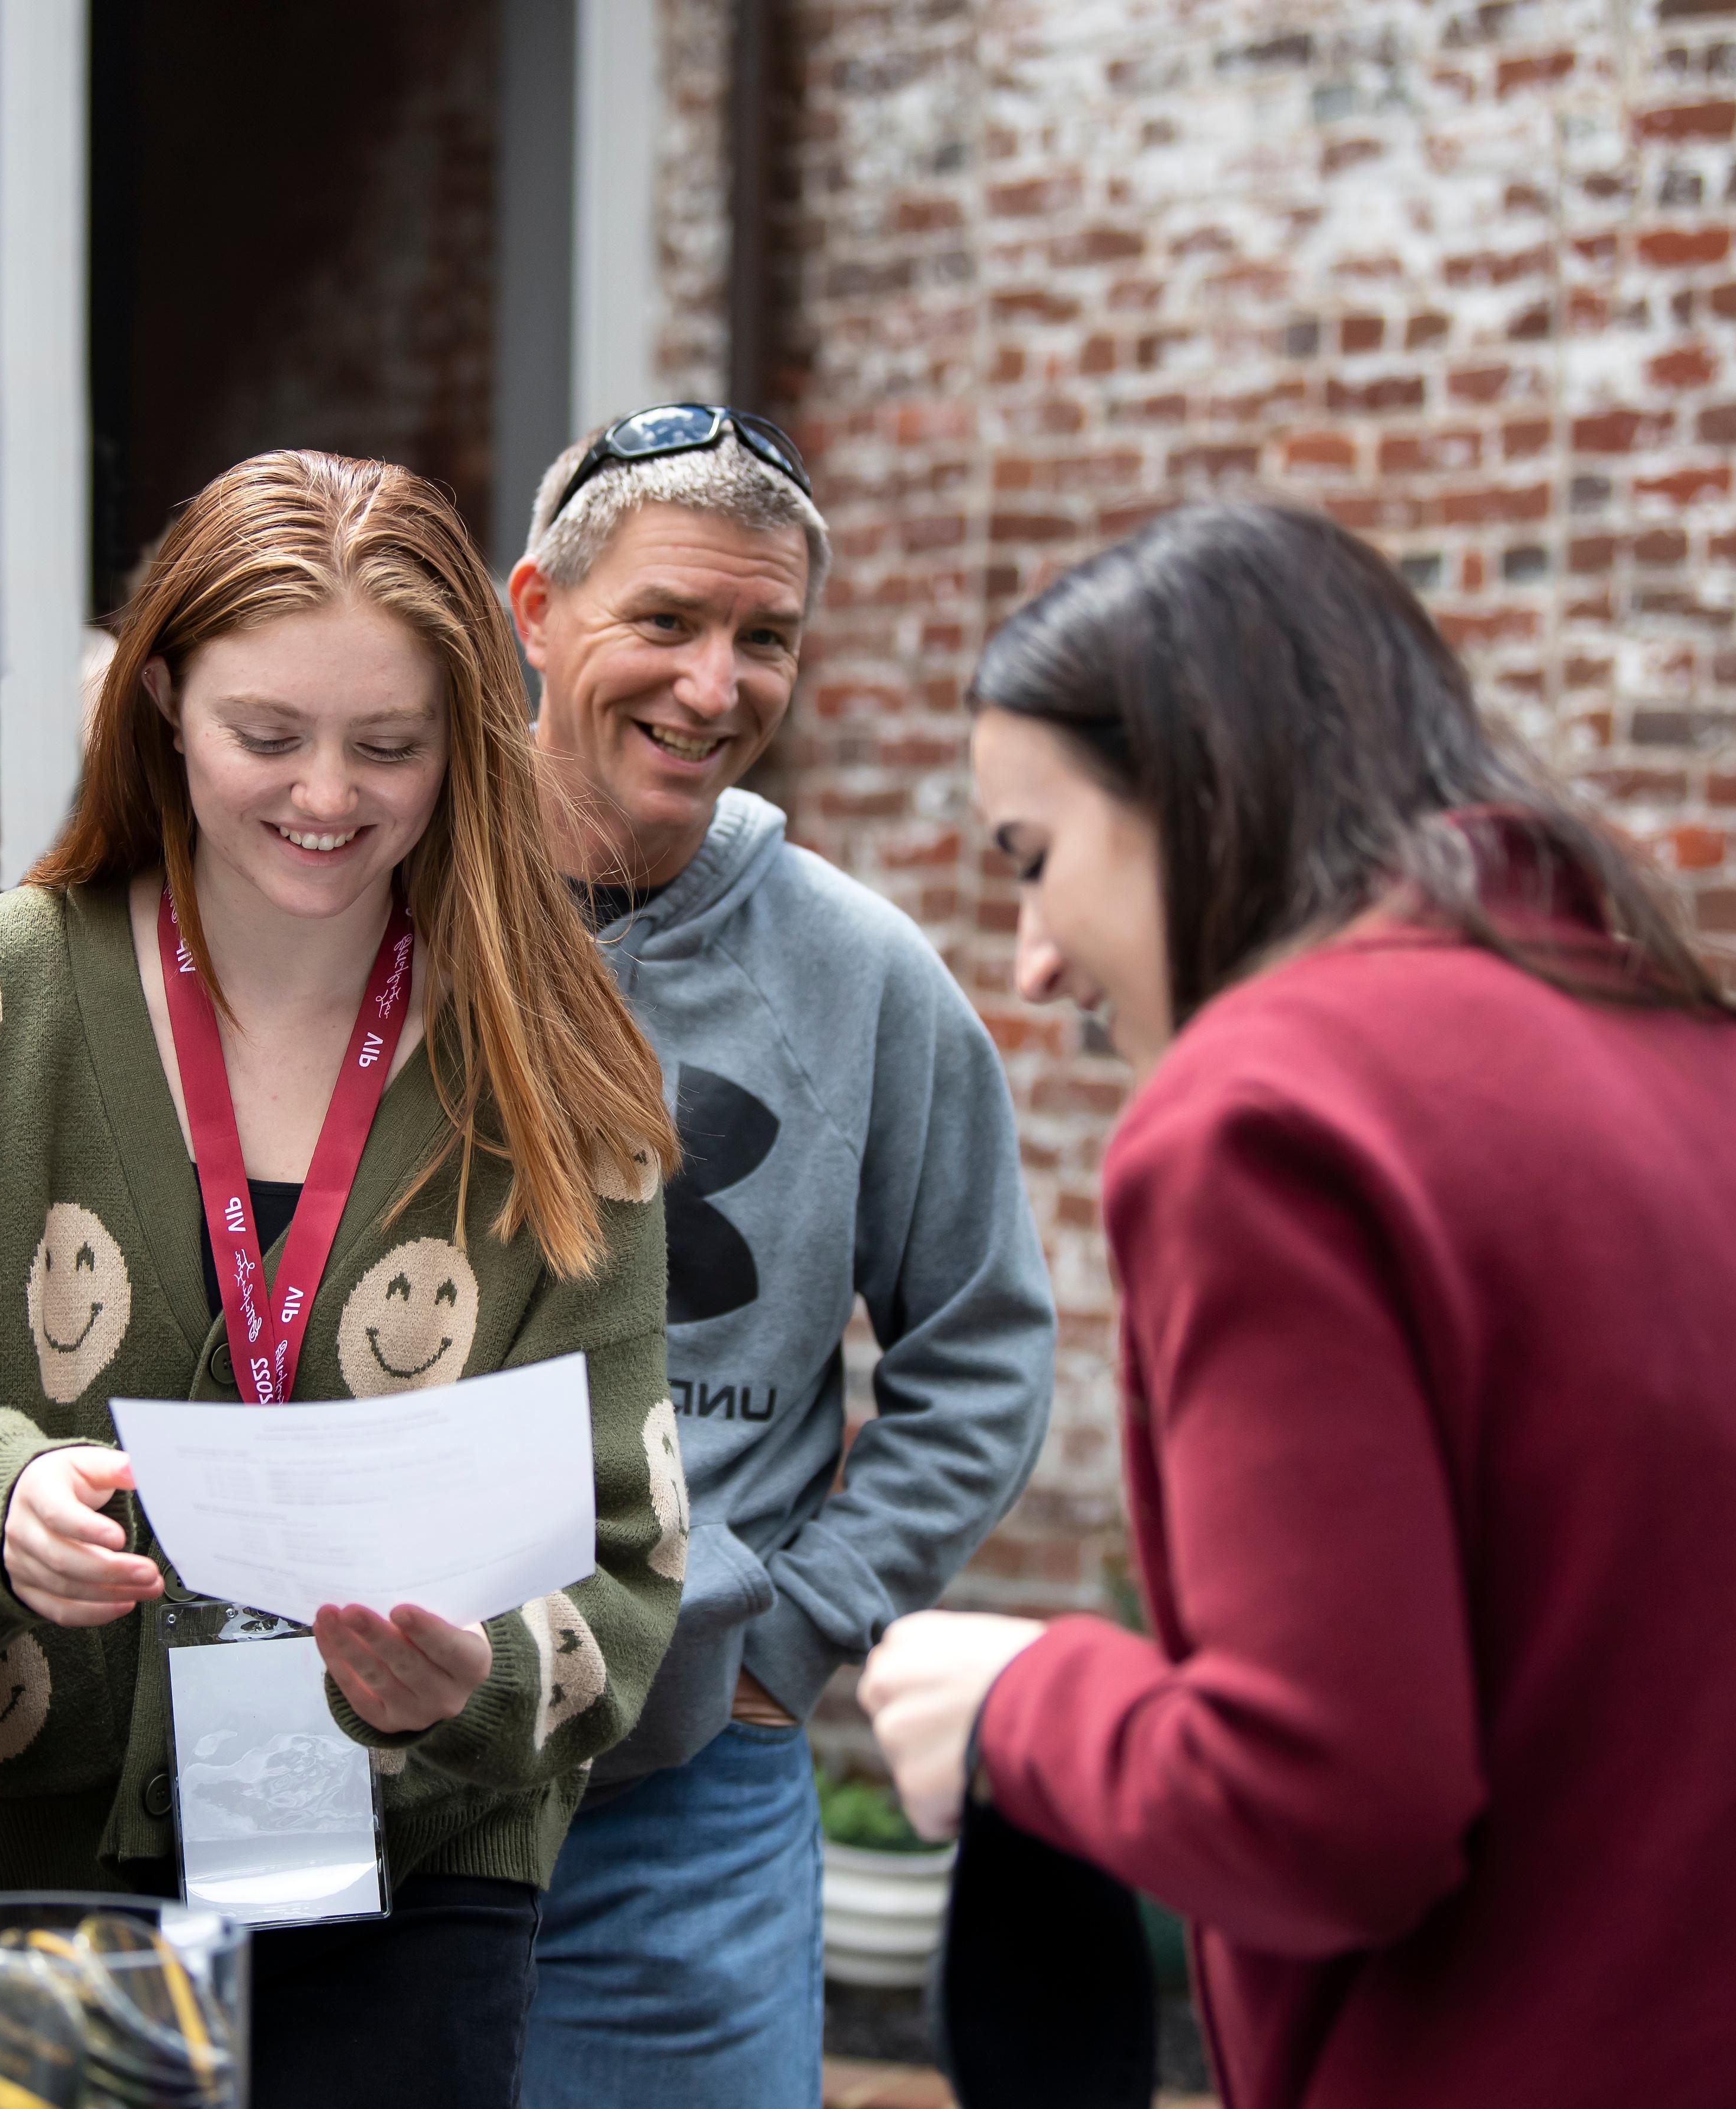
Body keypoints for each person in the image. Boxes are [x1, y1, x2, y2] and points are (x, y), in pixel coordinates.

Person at [862, 501, 1736, 2109]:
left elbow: (1321, 1804)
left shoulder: (1272, 1117)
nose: (1039, 961)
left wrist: (1023, 1699)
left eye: (1037, 861)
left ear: (1204, 791)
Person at [0, 448, 684, 2109]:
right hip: (36, 1867)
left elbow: (630, 1550)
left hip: (414, 1887)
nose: (326, 795)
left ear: (465, 748)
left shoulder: (560, 1072)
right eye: (266, 735)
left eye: (390, 744)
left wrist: (473, 1676)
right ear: (159, 712)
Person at [504, 405, 1055, 2108]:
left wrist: (791, 1630)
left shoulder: (864, 975)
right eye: (664, 620)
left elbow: (983, 1349)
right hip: (356, 1773)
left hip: (681, 1803)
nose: (715, 683)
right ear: (536, 611)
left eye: (767, 638)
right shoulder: (378, 912)